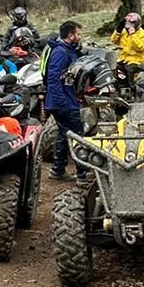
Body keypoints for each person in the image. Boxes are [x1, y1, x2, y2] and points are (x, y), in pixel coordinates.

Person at [45, 20, 86, 180]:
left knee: (64, 134)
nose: (79, 37)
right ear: (70, 36)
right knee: (78, 136)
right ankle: (82, 174)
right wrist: (62, 102)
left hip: (64, 100)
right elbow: (53, 78)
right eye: (78, 34)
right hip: (64, 102)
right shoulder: (61, 52)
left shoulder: (67, 50)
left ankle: (58, 169)